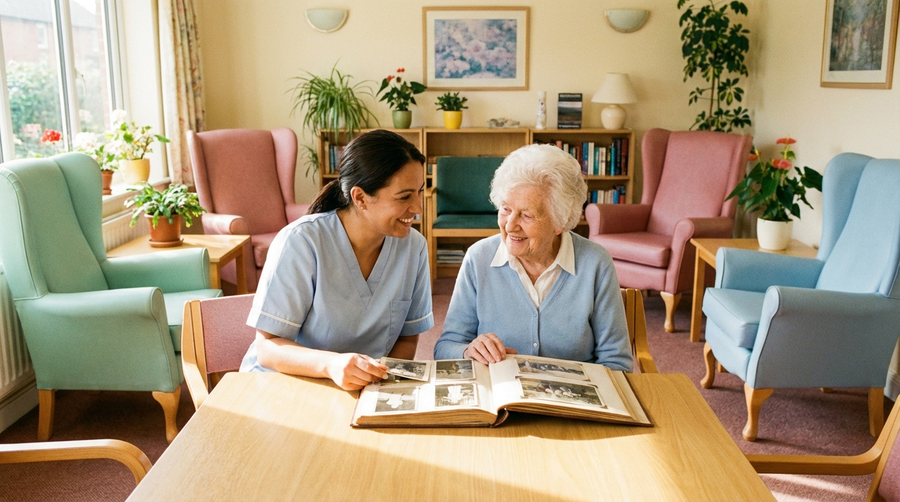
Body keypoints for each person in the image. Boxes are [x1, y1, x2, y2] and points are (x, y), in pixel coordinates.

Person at [240, 129, 433, 390]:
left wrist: (381, 388)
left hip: (360, 391)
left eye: (420, 191)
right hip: (284, 385)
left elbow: (407, 339)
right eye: (404, 196)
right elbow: (267, 348)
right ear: (360, 198)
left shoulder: (414, 248)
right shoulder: (301, 242)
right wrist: (331, 365)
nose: (418, 208)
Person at [433, 143, 633, 371]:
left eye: (526, 215)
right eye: (506, 209)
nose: (510, 226)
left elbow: (617, 363)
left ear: (561, 221)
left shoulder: (595, 263)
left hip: (571, 403)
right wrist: (468, 351)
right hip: (501, 402)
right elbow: (444, 348)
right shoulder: (479, 258)